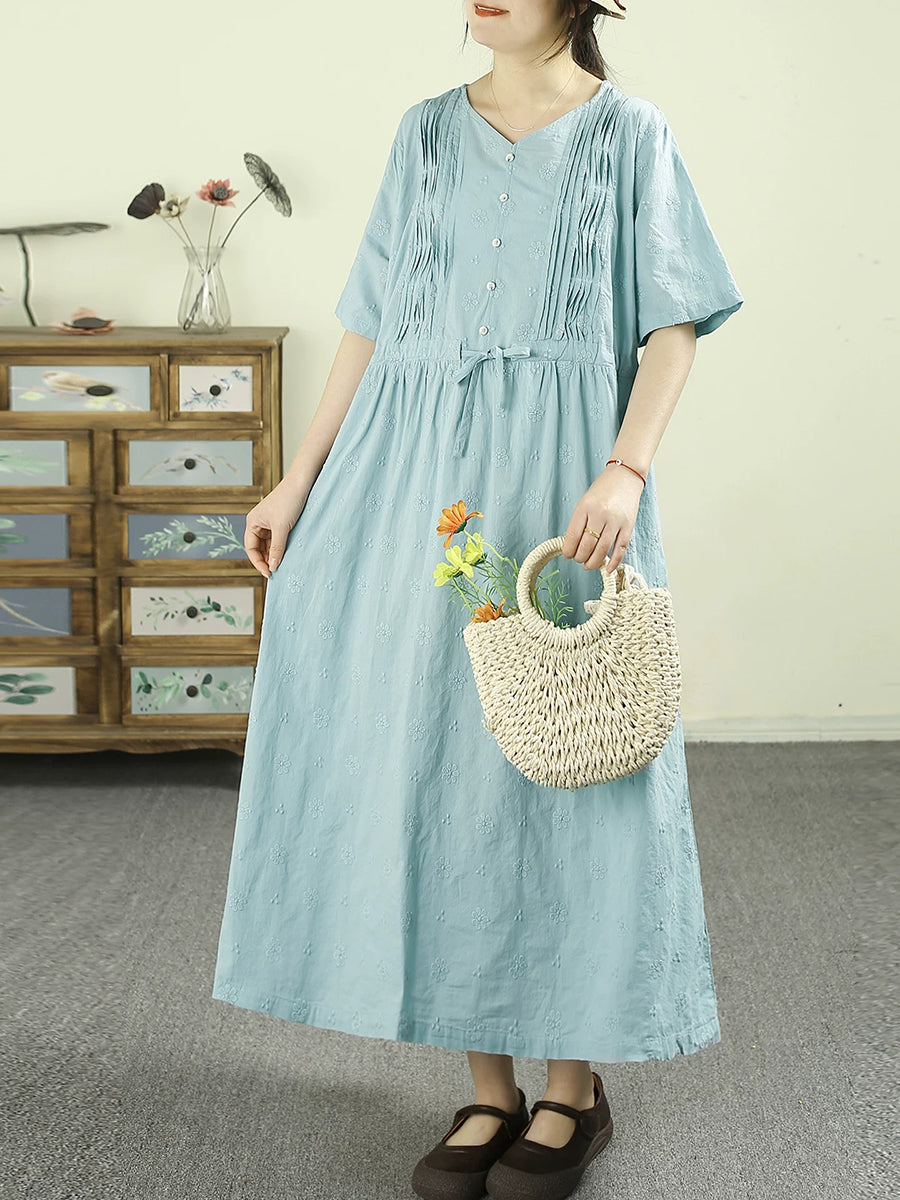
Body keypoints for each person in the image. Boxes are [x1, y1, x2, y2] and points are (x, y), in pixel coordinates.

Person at [211, 2, 744, 1198]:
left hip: (561, 471)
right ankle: (488, 1088)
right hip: (412, 475)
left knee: (567, 766)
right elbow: (371, 323)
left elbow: (673, 328)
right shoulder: (424, 132)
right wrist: (299, 479)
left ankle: (573, 1087)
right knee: (440, 767)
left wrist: (626, 467)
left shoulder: (630, 135)